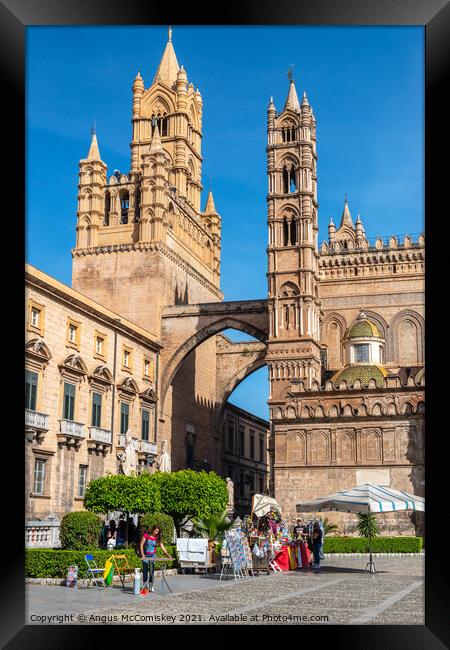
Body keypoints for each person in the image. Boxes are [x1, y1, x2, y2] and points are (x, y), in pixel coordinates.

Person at [139, 526, 172, 592]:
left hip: (153, 555)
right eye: (156, 531)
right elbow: (141, 544)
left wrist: (168, 555)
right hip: (146, 555)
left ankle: (151, 586)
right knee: (145, 570)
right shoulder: (146, 535)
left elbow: (163, 548)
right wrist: (142, 554)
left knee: (151, 571)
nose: (157, 533)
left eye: (158, 532)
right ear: (153, 530)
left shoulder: (157, 538)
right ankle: (145, 586)